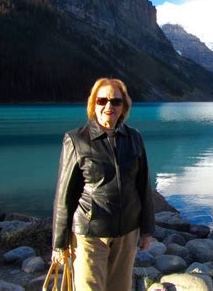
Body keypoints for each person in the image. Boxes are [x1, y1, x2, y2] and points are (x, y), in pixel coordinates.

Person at [51, 78, 155, 291]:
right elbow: (64, 195)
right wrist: (59, 243)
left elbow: (143, 185)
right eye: (102, 100)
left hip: (127, 230)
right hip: (90, 233)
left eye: (116, 102)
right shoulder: (76, 139)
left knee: (120, 287)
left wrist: (146, 229)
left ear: (124, 107)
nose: (109, 107)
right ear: (93, 105)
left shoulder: (134, 138)